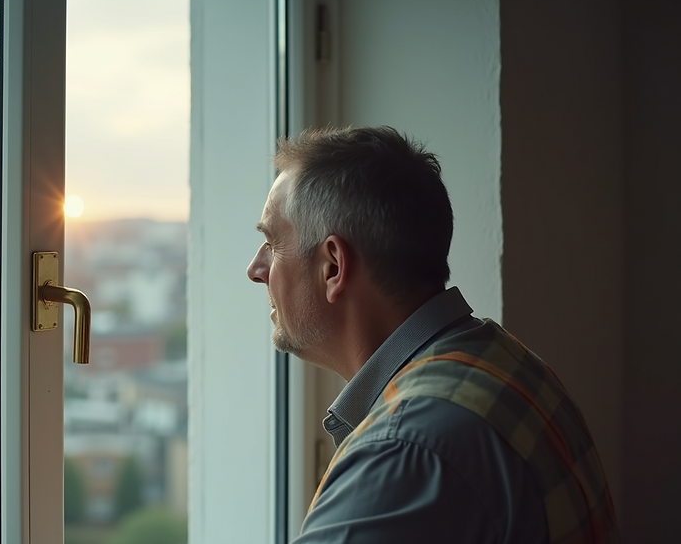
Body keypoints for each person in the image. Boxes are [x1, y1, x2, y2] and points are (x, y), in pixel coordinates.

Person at [246, 126, 619, 543]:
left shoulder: (406, 450)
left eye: (272, 244)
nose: (255, 270)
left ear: (333, 267)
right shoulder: (508, 363)